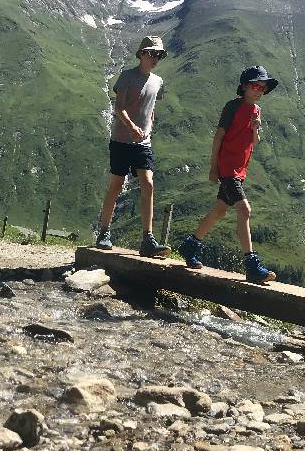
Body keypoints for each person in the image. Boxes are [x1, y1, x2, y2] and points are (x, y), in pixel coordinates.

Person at [178, 66, 279, 283]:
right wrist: (213, 167)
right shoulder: (232, 107)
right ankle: (251, 265)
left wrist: (255, 128)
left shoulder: (257, 111)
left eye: (263, 87)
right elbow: (218, 137)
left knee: (220, 211)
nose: (259, 90)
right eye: (255, 86)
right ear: (244, 87)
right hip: (227, 168)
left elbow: (255, 142)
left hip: (239, 170)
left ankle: (190, 245)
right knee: (244, 210)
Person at [95, 36, 171, 258]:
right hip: (121, 139)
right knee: (117, 184)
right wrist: (132, 127)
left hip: (142, 142)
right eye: (152, 53)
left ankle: (148, 239)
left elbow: (151, 107)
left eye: (159, 55)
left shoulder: (158, 81)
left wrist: (148, 127)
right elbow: (119, 108)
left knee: (148, 183)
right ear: (142, 54)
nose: (156, 58)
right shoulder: (127, 77)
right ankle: (104, 232)